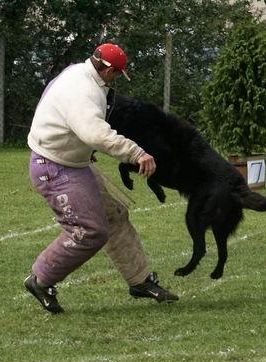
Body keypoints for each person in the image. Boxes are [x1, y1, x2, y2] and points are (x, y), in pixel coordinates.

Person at [24, 43, 179, 313]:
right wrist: (136, 153)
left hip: (72, 161)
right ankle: (40, 280)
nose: (117, 78)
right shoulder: (83, 91)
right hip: (54, 167)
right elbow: (95, 134)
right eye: (117, 73)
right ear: (107, 69)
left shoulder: (80, 73)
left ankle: (139, 280)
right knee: (89, 232)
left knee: (115, 215)